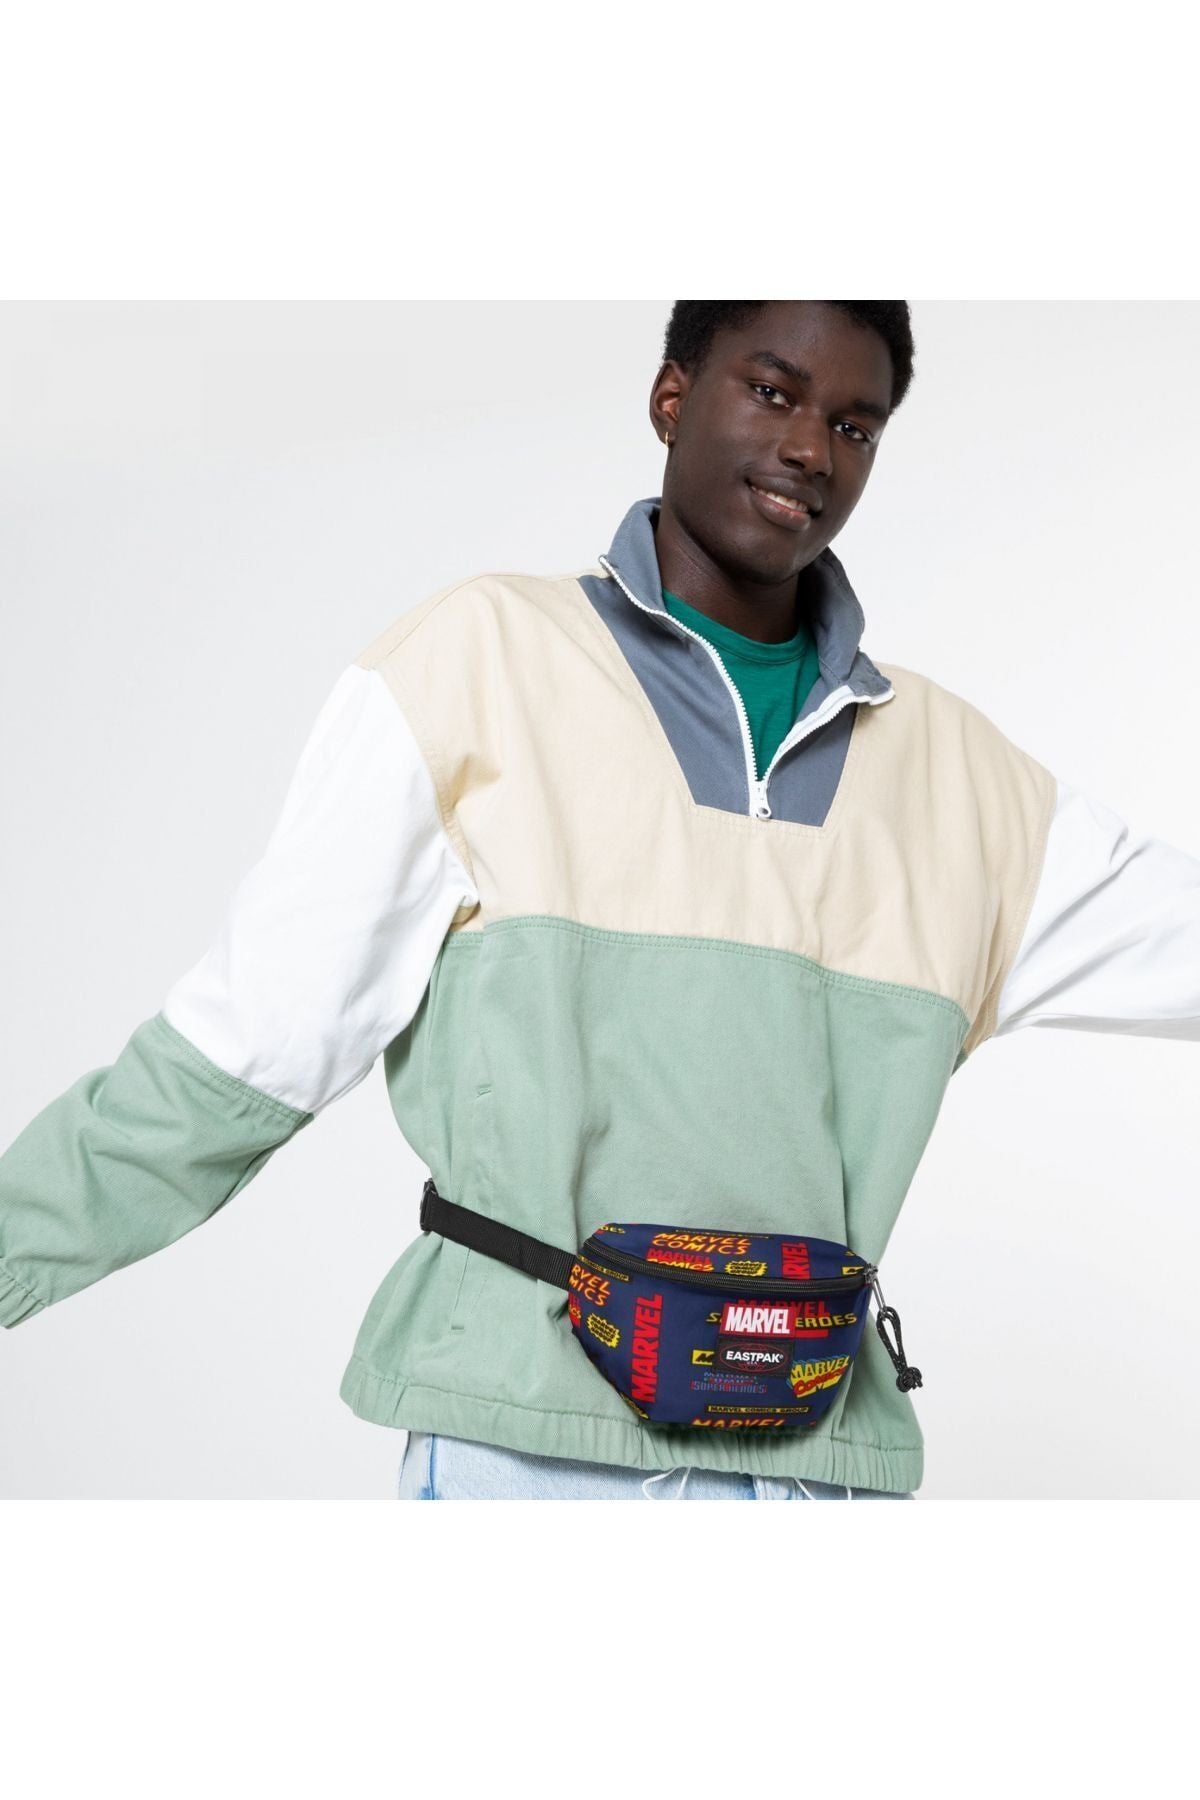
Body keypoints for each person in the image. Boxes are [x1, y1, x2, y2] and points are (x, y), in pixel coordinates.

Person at [4, 301, 1198, 1502]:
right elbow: (248, 1054)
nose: (810, 450)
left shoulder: (962, 778)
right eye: (772, 392)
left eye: (854, 425)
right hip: (527, 1453)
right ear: (672, 397)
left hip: (815, 1467)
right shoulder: (479, 663)